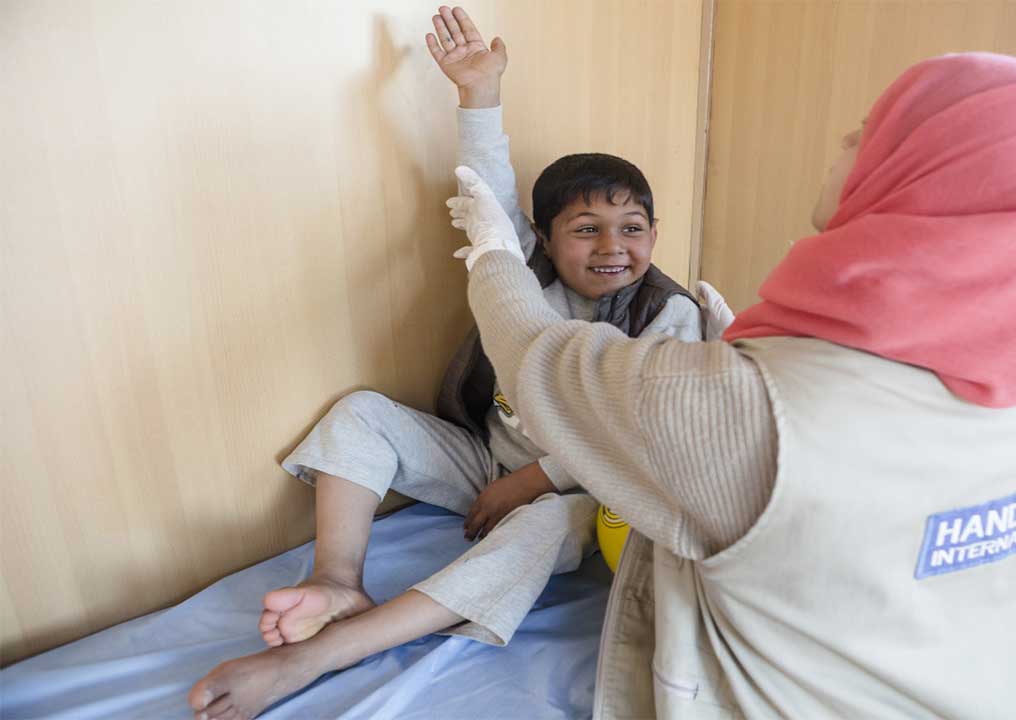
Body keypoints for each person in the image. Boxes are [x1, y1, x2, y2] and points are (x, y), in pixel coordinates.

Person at [449, 51, 1016, 717]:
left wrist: (493, 253)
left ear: (926, 180)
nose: (846, 141)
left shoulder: (750, 406)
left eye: (871, 134)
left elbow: (540, 359)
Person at [187, 7, 700, 719]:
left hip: (582, 489)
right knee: (361, 412)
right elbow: (484, 192)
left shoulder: (667, 314)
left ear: (654, 234)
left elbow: (639, 438)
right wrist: (478, 93)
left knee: (548, 524)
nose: (613, 246)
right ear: (542, 239)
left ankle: (332, 650)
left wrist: (532, 482)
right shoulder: (522, 271)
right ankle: (337, 581)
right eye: (587, 229)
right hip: (486, 461)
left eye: (632, 228)